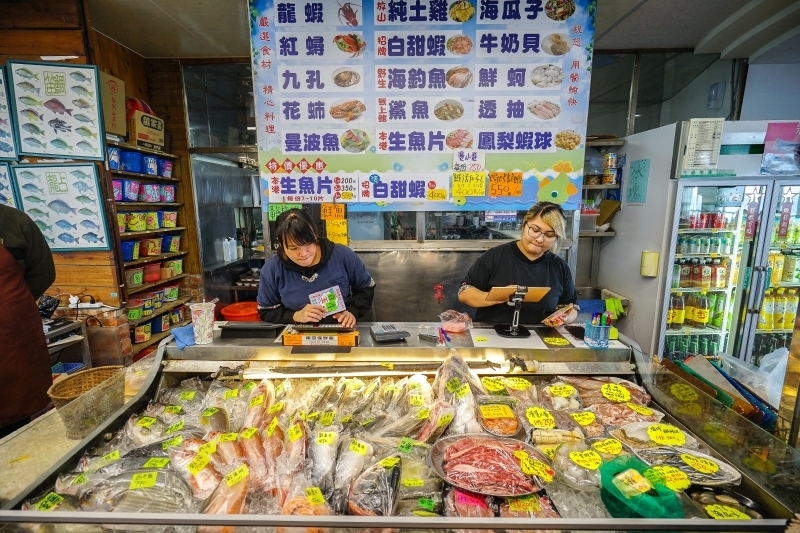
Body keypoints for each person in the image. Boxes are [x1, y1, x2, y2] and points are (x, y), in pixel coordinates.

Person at [458, 202, 578, 325]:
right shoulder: (495, 257)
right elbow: (464, 293)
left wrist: (565, 318)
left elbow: (571, 307)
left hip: (540, 338)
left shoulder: (559, 267)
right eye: (535, 230)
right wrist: (497, 296)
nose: (540, 239)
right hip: (492, 336)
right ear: (523, 225)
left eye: (549, 235)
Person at [258, 208, 375, 327]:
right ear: (280, 242)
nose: (303, 253)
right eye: (293, 248)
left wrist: (352, 311)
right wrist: (295, 316)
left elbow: (366, 288)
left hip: (341, 331)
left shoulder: (342, 255)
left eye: (308, 244)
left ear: (315, 235)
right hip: (296, 337)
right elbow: (267, 311)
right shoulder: (271, 270)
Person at [0, 204, 56, 439]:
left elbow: (43, 272)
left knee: (19, 426)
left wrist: (15, 307)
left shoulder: (12, 221)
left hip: (12, 343)